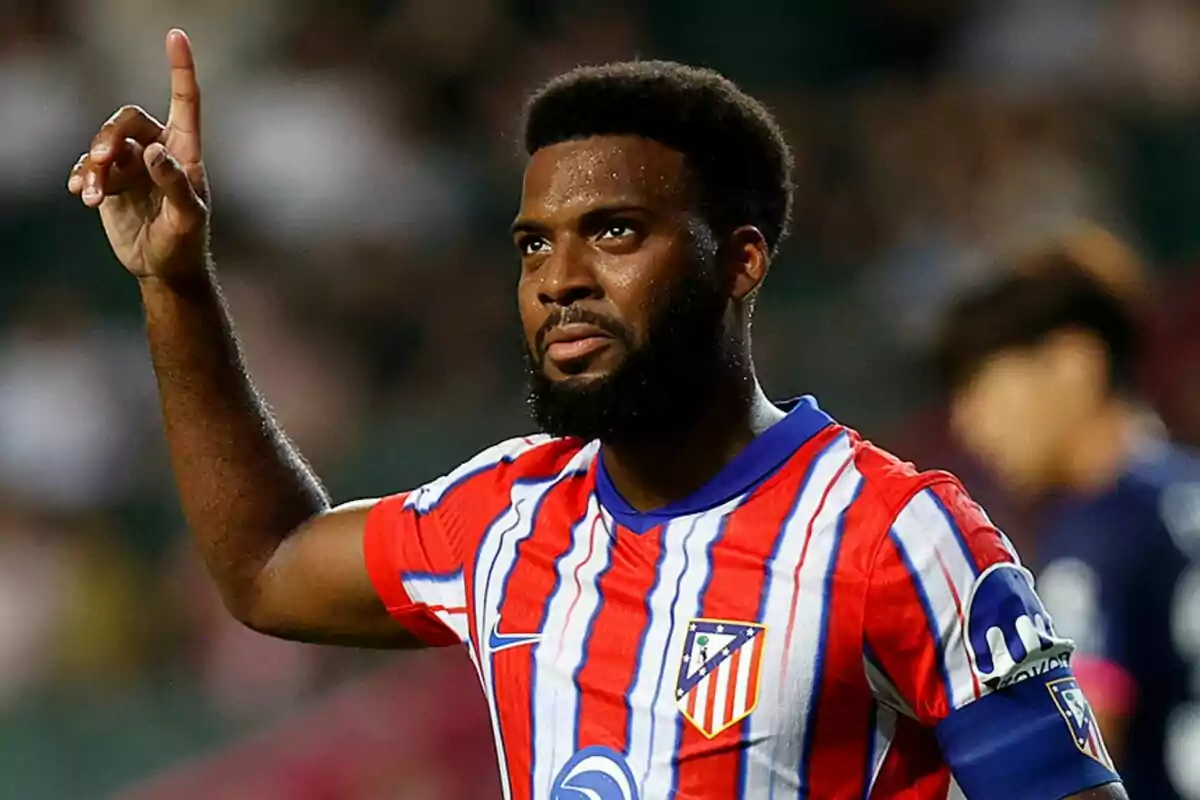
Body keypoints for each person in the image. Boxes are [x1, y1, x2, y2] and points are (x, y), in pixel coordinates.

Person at [68, 29, 1126, 800]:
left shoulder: (895, 531)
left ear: (739, 261)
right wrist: (177, 283)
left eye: (614, 232)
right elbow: (266, 564)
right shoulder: (505, 514)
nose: (560, 279)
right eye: (534, 243)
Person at [935, 238, 1199, 800]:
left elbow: (1075, 748)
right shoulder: (1181, 490)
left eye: (981, 382)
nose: (968, 422)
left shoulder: (1099, 535)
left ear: (1074, 364)